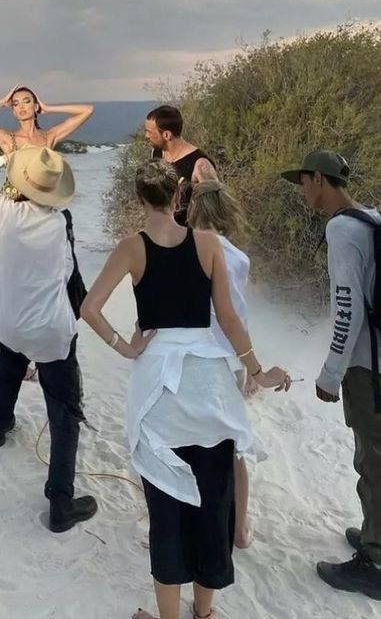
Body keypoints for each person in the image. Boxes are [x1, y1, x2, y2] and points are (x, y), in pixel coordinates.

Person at [81, 160, 290, 619]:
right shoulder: (209, 243)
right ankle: (206, 610)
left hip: (159, 383)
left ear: (140, 198)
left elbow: (90, 308)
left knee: (167, 506)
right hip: (209, 383)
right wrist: (256, 369)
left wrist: (127, 347)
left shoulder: (131, 248)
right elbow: (230, 319)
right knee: (214, 498)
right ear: (180, 194)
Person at [0, 146, 98, 533]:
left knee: (10, 356)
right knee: (65, 411)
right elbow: (67, 274)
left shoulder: (6, 212)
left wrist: (4, 159)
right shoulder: (59, 225)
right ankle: (60, 501)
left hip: (10, 323)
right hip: (51, 332)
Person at [282, 150, 381, 600]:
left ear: (319, 179)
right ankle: (376, 533)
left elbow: (348, 308)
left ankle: (374, 561)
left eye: (303, 182)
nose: (302, 190)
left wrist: (330, 373)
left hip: (368, 367)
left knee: (372, 461)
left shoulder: (342, 228)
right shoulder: (373, 217)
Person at [0, 85, 94, 380]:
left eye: (27, 102)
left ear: (36, 106)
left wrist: (50, 107)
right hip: (11, 211)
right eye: (15, 104)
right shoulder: (8, 139)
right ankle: (23, 352)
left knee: (47, 275)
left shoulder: (49, 138)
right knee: (19, 277)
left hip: (45, 210)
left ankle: (36, 350)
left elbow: (87, 111)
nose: (21, 107)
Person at [187, 180, 255, 550]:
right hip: (230, 358)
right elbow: (238, 316)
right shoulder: (238, 258)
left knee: (187, 445)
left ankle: (185, 524)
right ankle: (240, 528)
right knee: (231, 449)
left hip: (195, 358)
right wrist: (251, 364)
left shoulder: (183, 249)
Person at [144, 105, 217, 226]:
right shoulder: (156, 154)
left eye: (149, 132)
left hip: (189, 236)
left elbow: (213, 211)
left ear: (166, 135)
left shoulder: (200, 164)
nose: (146, 136)